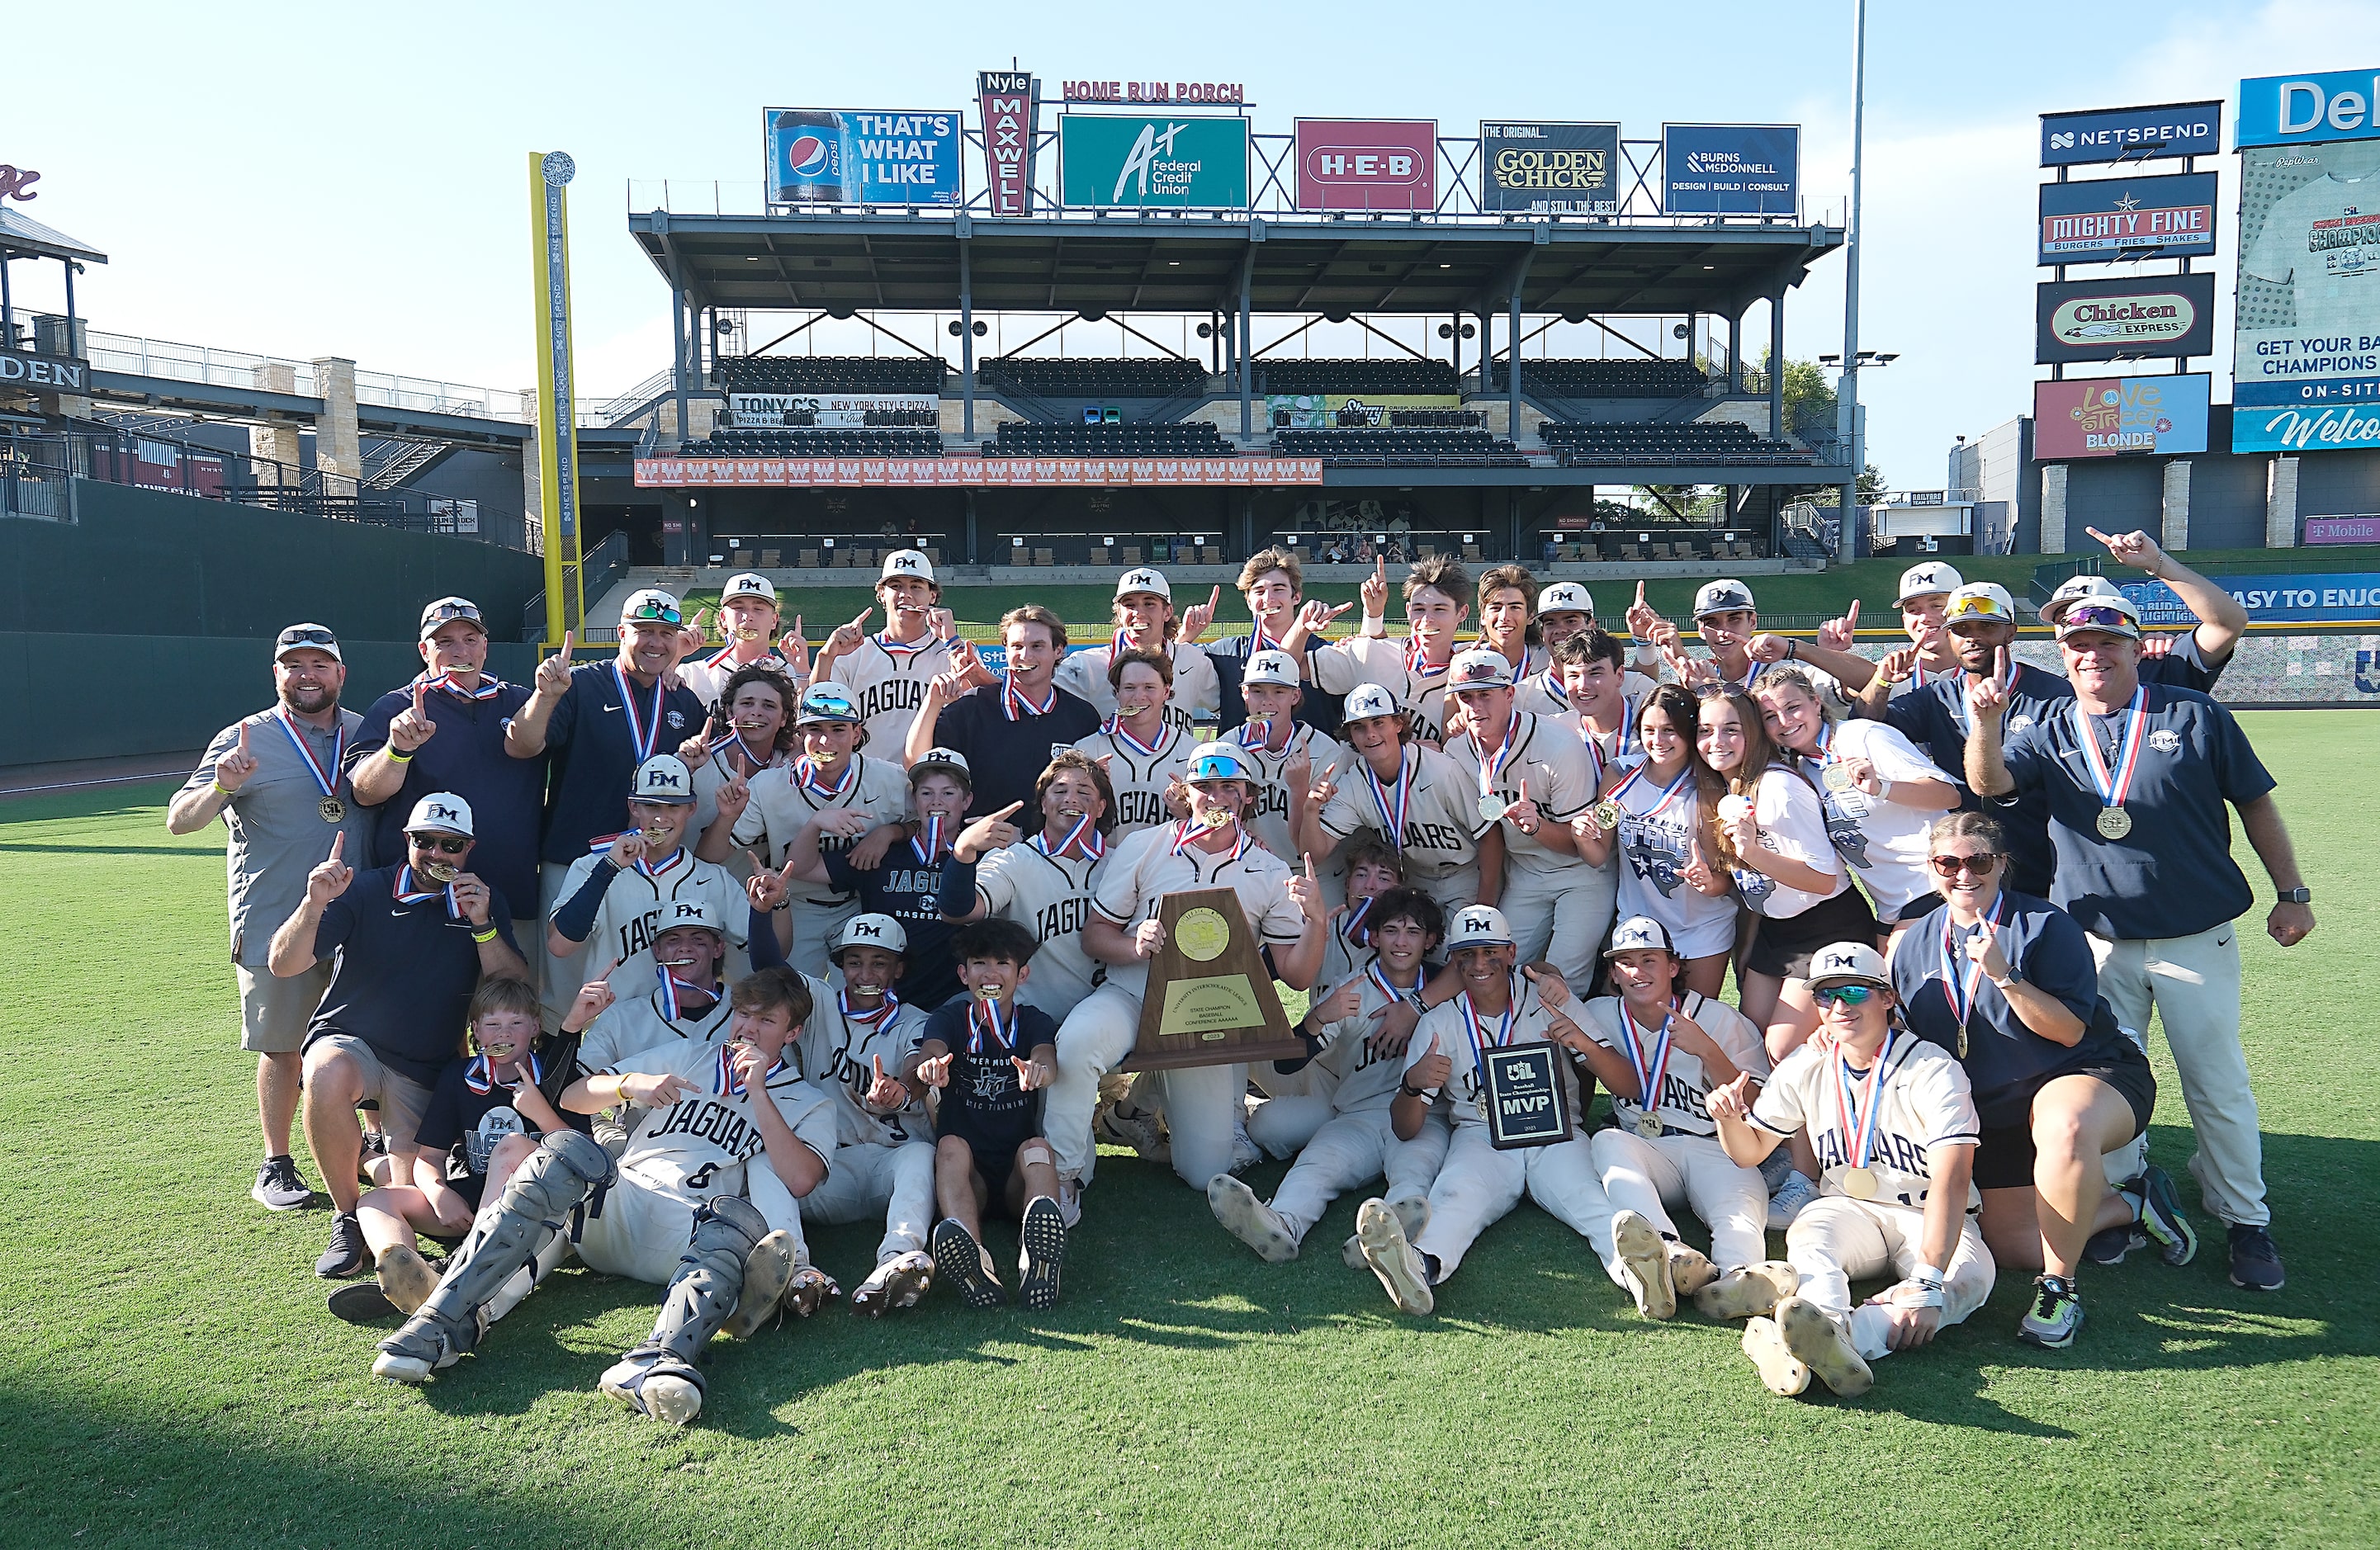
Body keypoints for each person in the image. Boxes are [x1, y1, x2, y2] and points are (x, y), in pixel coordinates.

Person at [1964, 591, 2312, 1292]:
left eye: (2107, 643)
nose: (2093, 656)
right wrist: (1986, 722)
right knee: (2100, 1084)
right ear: (2063, 656)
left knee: (2214, 1083)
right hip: (2090, 943)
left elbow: (2255, 804)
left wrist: (2292, 893)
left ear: (2133, 648)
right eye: (2078, 646)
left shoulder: (2193, 713)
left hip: (2193, 937)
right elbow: (1989, 783)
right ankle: (2122, 1204)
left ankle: (2245, 1218)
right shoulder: (2045, 723)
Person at [371, 968, 838, 1427]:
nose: (748, 1029)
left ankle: (660, 1360)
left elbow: (799, 1179)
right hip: (620, 1196)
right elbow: (573, 1097)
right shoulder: (687, 1055)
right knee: (561, 1155)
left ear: (793, 1033)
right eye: (742, 1015)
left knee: (735, 1222)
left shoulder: (809, 1100)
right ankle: (440, 1321)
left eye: (766, 1021)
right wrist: (630, 1084)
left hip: (687, 1230)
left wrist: (757, 1090)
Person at [1890, 812, 2192, 1348]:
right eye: (1948, 862)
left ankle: (2059, 1291)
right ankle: (2136, 1202)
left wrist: (2004, 975)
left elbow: (2069, 1031)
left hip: (2083, 1072)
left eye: (1977, 861)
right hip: (1997, 1106)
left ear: (2000, 864)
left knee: (2064, 1124)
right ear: (1931, 869)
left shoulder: (2044, 924)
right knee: (2017, 1249)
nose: (1964, 874)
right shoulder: (1912, 943)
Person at [1705, 942, 1993, 1400]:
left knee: (1968, 1282)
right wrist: (1728, 1120)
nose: (1839, 1007)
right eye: (1825, 996)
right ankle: (1826, 1326)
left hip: (1923, 1211)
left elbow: (1951, 1180)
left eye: (1855, 992)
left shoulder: (1933, 1067)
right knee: (1810, 1235)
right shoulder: (1807, 1063)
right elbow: (1749, 1152)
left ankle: (1818, 1341)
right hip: (1848, 1207)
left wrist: (1928, 1279)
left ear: (1886, 998)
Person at [1047, 741, 1329, 1207]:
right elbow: (1095, 936)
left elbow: (1296, 977)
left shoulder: (1267, 868)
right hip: (1133, 996)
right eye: (1203, 787)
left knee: (1205, 1173)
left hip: (1207, 1018)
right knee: (1077, 1043)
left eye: (1228, 787)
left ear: (1248, 795)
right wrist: (1134, 945)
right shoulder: (1144, 845)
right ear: (1185, 791)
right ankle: (1065, 1178)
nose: (1215, 798)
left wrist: (1317, 921)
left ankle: (1142, 1108)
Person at [267, 793, 528, 1278]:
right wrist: (313, 903)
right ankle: (347, 1218)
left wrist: (483, 927)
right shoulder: (364, 889)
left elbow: (510, 988)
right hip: (352, 1040)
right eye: (424, 841)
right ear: (407, 841)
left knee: (412, 1194)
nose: (437, 854)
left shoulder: (482, 900)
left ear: (468, 848)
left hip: (425, 1065)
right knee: (326, 1072)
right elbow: (283, 964)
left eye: (450, 844)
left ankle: (373, 1170)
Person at [168, 621, 374, 1212]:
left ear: (340, 673)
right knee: (284, 1046)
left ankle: (376, 1150)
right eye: (293, 665)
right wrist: (222, 788)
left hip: (357, 918)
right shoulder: (246, 738)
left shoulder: (366, 732)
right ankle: (276, 1165)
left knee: (370, 1038)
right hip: (274, 917)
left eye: (319, 664)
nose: (306, 675)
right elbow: (180, 821)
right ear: (277, 673)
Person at [1350, 905, 1639, 1316]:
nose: (1479, 964)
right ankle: (1417, 1266)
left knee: (1589, 1200)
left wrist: (1585, 1045)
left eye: (1490, 951)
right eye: (1467, 954)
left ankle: (1639, 1273)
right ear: (1454, 961)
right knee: (1454, 1196)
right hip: (1481, 1133)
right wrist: (1413, 1084)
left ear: (1511, 952)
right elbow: (1405, 1129)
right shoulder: (1439, 1022)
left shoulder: (1550, 999)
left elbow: (1626, 1086)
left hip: (1554, 1130)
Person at [1209, 886, 1451, 1264]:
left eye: (1413, 932)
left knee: (1414, 1175)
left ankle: (1383, 1239)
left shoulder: (1443, 986)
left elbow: (1480, 973)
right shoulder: (1351, 990)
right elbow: (1287, 1064)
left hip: (1424, 1114)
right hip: (1358, 1113)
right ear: (1372, 936)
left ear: (1431, 940)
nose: (1401, 942)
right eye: (1390, 930)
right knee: (1317, 1164)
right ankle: (1282, 1223)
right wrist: (1320, 1016)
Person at [507, 588, 708, 1021]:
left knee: (637, 989)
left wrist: (688, 763)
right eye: (644, 631)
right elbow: (522, 746)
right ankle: (562, 1085)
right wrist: (544, 697)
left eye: (666, 633)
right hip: (577, 858)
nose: (656, 642)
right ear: (621, 632)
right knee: (563, 993)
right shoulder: (578, 685)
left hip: (650, 869)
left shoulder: (683, 701)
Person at [339, 977, 582, 1322]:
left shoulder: (556, 1072)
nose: (504, 1034)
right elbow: (429, 1157)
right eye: (493, 1024)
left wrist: (539, 1111)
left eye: (516, 1023)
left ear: (535, 1027)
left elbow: (577, 1154)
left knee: (514, 1149)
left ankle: (453, 1271)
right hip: (475, 1199)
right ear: (476, 1032)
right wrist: (439, 1194)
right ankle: (407, 1276)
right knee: (375, 1201)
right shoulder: (460, 1076)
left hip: (539, 1208)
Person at [1578, 917, 1772, 1321]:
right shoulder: (1597, 1013)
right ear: (1613, 973)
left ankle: (1736, 1280)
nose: (1638, 972)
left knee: (1738, 1215)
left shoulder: (1720, 1019)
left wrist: (1709, 1052)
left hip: (1715, 1145)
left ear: (1672, 966)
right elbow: (1552, 1000)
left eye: (1649, 960)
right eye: (1626, 962)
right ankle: (1668, 1251)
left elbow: (1758, 1104)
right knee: (1607, 1141)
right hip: (1647, 1150)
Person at [348, 598, 544, 956]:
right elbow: (364, 792)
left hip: (511, 895)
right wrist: (396, 751)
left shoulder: (521, 702)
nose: (460, 651)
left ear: (485, 647)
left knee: (511, 1005)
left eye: (470, 639)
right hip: (422, 899)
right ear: (424, 650)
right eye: (445, 642)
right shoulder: (396, 707)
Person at [1700, 688, 1872, 1058]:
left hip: (1828, 925)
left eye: (1732, 729)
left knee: (1783, 1047)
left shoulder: (1779, 787)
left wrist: (1752, 853)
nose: (1717, 741)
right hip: (1776, 931)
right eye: (1705, 730)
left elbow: (1824, 880)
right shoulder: (1727, 786)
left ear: (1753, 732)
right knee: (1748, 1037)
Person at [1885, 582, 2076, 900]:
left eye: (1987, 626)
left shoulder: (2053, 695)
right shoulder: (1938, 695)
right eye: (1961, 629)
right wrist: (1880, 684)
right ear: (1950, 636)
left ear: (2010, 633)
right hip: (1966, 866)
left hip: (2044, 859)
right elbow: (1873, 726)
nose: (1973, 637)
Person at [914, 919, 1067, 1308]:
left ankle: (1038, 1263)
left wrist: (1039, 1071)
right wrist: (931, 1067)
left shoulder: (1034, 1020)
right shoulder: (950, 1017)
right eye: (980, 962)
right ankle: (974, 1259)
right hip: (972, 1179)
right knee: (948, 1145)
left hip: (1017, 1177)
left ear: (1023, 973)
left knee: (1038, 1148)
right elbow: (930, 1050)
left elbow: (1046, 1059)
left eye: (1003, 962)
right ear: (964, 973)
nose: (991, 973)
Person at [793, 914, 940, 1317]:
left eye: (879, 962)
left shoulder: (916, 1018)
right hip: (830, 1167)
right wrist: (770, 908)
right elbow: (773, 962)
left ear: (898, 968)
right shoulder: (818, 1003)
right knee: (768, 1168)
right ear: (840, 965)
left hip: (889, 1167)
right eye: (855, 961)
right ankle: (795, 1270)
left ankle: (896, 1259)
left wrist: (903, 1090)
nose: (865, 972)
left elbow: (917, 1063)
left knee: (922, 1156)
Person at [1438, 648, 1606, 994]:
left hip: (1581, 875)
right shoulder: (1456, 752)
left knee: (1562, 981)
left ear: (1510, 694)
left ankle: (1563, 1049)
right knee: (1498, 969)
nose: (1475, 707)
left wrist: (1536, 826)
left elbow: (1581, 846)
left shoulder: (1560, 745)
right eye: (1465, 696)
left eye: (1485, 694)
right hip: (1525, 874)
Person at [1753, 667, 1961, 942]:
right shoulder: (1801, 770)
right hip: (1888, 906)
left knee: (1895, 977)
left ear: (1815, 701)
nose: (1784, 720)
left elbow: (1948, 795)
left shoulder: (1864, 736)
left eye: (1793, 707)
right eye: (1770, 716)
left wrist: (1883, 788)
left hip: (1931, 885)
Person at [549, 754, 768, 1002]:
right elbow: (560, 946)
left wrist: (775, 905)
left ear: (691, 809)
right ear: (634, 807)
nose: (661, 818)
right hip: (618, 1024)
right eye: (652, 806)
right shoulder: (593, 867)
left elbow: (775, 950)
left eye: (673, 806)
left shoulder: (712, 878)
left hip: (694, 1028)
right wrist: (608, 869)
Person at [732, 683, 913, 979]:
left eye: (838, 729)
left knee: (862, 999)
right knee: (792, 996)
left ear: (856, 733)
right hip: (796, 906)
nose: (825, 740)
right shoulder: (769, 786)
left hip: (861, 904)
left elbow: (924, 825)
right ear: (800, 734)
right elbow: (719, 850)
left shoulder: (890, 779)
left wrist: (892, 832)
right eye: (814, 728)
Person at [777, 747, 974, 1009]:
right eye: (927, 793)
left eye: (948, 793)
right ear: (914, 800)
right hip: (880, 1002)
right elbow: (799, 868)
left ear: (967, 801)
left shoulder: (978, 859)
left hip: (951, 1002)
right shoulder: (881, 853)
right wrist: (816, 823)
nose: (937, 801)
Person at [1573, 692, 1739, 999]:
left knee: (1692, 1023)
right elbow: (1598, 856)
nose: (1658, 740)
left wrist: (1707, 881)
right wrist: (1583, 838)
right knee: (1630, 1025)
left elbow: (1724, 884)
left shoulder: (1710, 786)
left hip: (1700, 929)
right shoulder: (1620, 775)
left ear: (1688, 731)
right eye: (1649, 731)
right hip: (1637, 927)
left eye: (1669, 730)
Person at [939, 750, 1119, 1026]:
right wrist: (964, 851)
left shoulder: (1119, 864)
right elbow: (958, 912)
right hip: (1029, 1026)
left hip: (1103, 1018)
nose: (1071, 798)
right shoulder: (1015, 859)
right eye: (1059, 791)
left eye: (1084, 792)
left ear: (1101, 807)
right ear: (1044, 804)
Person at [1297, 685, 1487, 919]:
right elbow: (1314, 854)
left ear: (1398, 724)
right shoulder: (1354, 784)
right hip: (1414, 877)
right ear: (1350, 736)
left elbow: (1489, 834)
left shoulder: (1440, 771)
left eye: (1379, 722)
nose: (1371, 734)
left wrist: (1486, 903)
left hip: (1465, 874)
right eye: (1359, 727)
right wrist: (1310, 808)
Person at [912, 605, 1102, 828]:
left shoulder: (1081, 716)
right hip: (982, 851)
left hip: (1055, 852)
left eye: (1037, 646)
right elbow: (918, 762)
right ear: (1006, 650)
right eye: (1017, 646)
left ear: (1059, 650)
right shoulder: (972, 707)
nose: (1025, 655)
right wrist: (932, 703)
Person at [1285, 555, 1466, 744]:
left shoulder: (1471, 676)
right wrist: (1302, 626)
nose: (1427, 619)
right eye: (1419, 609)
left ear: (1462, 613)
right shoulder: (1370, 652)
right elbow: (1287, 669)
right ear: (1407, 611)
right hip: (1357, 773)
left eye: (1439, 609)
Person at [2042, 526, 2247, 691]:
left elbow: (2227, 624)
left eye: (2096, 614)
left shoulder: (2163, 663)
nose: (2081, 624)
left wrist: (2156, 563)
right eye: (2064, 619)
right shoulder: (2052, 692)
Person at [811, 550, 973, 747]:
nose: (906, 594)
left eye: (916, 586)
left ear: (932, 596)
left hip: (932, 775)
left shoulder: (953, 652)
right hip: (867, 775)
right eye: (896, 586)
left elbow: (982, 709)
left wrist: (953, 642)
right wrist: (826, 656)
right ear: (882, 594)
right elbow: (816, 712)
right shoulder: (854, 654)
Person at [1053, 567, 1223, 734]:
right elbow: (1034, 696)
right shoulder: (1087, 666)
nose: (1138, 612)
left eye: (1149, 604)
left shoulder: (1192, 661)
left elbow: (1235, 706)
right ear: (1119, 613)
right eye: (1129, 605)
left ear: (1167, 612)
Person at [1226, 649, 1350, 877]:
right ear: (1244, 693)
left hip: (1315, 871)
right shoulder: (1228, 748)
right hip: (1247, 865)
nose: (1267, 701)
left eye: (1279, 691)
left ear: (1295, 696)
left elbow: (1312, 849)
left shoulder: (1325, 752)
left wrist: (1300, 790)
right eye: (1257, 691)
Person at [1207, 546, 1344, 736]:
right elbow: (1172, 671)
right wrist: (1187, 634)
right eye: (1259, 591)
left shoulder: (1323, 654)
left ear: (1296, 597)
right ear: (1248, 601)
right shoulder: (1225, 653)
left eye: (1278, 589)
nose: (1268, 598)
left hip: (1315, 762)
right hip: (1242, 764)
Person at [680, 663, 797, 874]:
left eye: (769, 706)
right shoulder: (695, 762)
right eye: (747, 703)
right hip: (691, 890)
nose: (757, 712)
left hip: (756, 895)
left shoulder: (790, 768)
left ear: (784, 718)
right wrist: (679, 771)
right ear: (728, 711)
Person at [1069, 647, 1193, 837]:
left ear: (1166, 692)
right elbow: (1066, 825)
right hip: (1103, 865)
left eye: (1149, 687)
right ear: (1116, 692)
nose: (1139, 696)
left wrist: (1188, 816)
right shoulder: (1086, 751)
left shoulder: (1193, 753)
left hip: (1170, 865)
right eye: (1129, 688)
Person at [678, 572, 807, 712]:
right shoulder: (691, 674)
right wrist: (674, 655)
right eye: (738, 608)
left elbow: (804, 728)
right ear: (723, 618)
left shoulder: (791, 674)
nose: (747, 616)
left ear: (774, 620)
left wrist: (803, 675)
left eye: (758, 609)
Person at [1849, 561, 1967, 715]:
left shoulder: (1995, 673)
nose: (1925, 617)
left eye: (1937, 605)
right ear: (1905, 620)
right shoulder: (1885, 675)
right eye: (1913, 610)